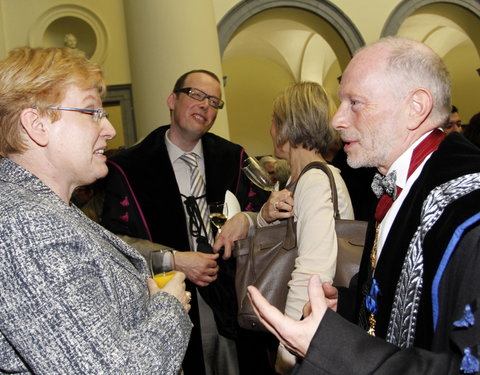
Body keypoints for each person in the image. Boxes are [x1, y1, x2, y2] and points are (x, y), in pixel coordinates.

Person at [247, 36, 480, 374]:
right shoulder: (399, 184)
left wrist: (330, 347)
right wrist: (343, 307)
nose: (336, 120)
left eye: (355, 103)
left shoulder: (469, 212)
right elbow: (393, 295)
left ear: (415, 107)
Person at [0, 46, 192, 374]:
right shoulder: (26, 224)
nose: (110, 130)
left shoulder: (48, 209)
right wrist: (169, 306)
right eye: (92, 113)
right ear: (37, 124)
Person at [101, 69, 252, 375]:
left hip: (227, 293)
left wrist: (247, 219)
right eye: (195, 95)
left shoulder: (233, 158)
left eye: (213, 101)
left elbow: (259, 211)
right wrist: (172, 260)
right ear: (172, 99)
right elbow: (113, 240)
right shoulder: (130, 167)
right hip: (165, 295)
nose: (204, 105)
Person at [214, 81, 354, 374]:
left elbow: (312, 272)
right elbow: (286, 237)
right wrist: (257, 218)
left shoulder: (314, 181)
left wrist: (287, 352)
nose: (270, 129)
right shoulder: (298, 180)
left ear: (289, 126)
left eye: (274, 121)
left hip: (308, 341)